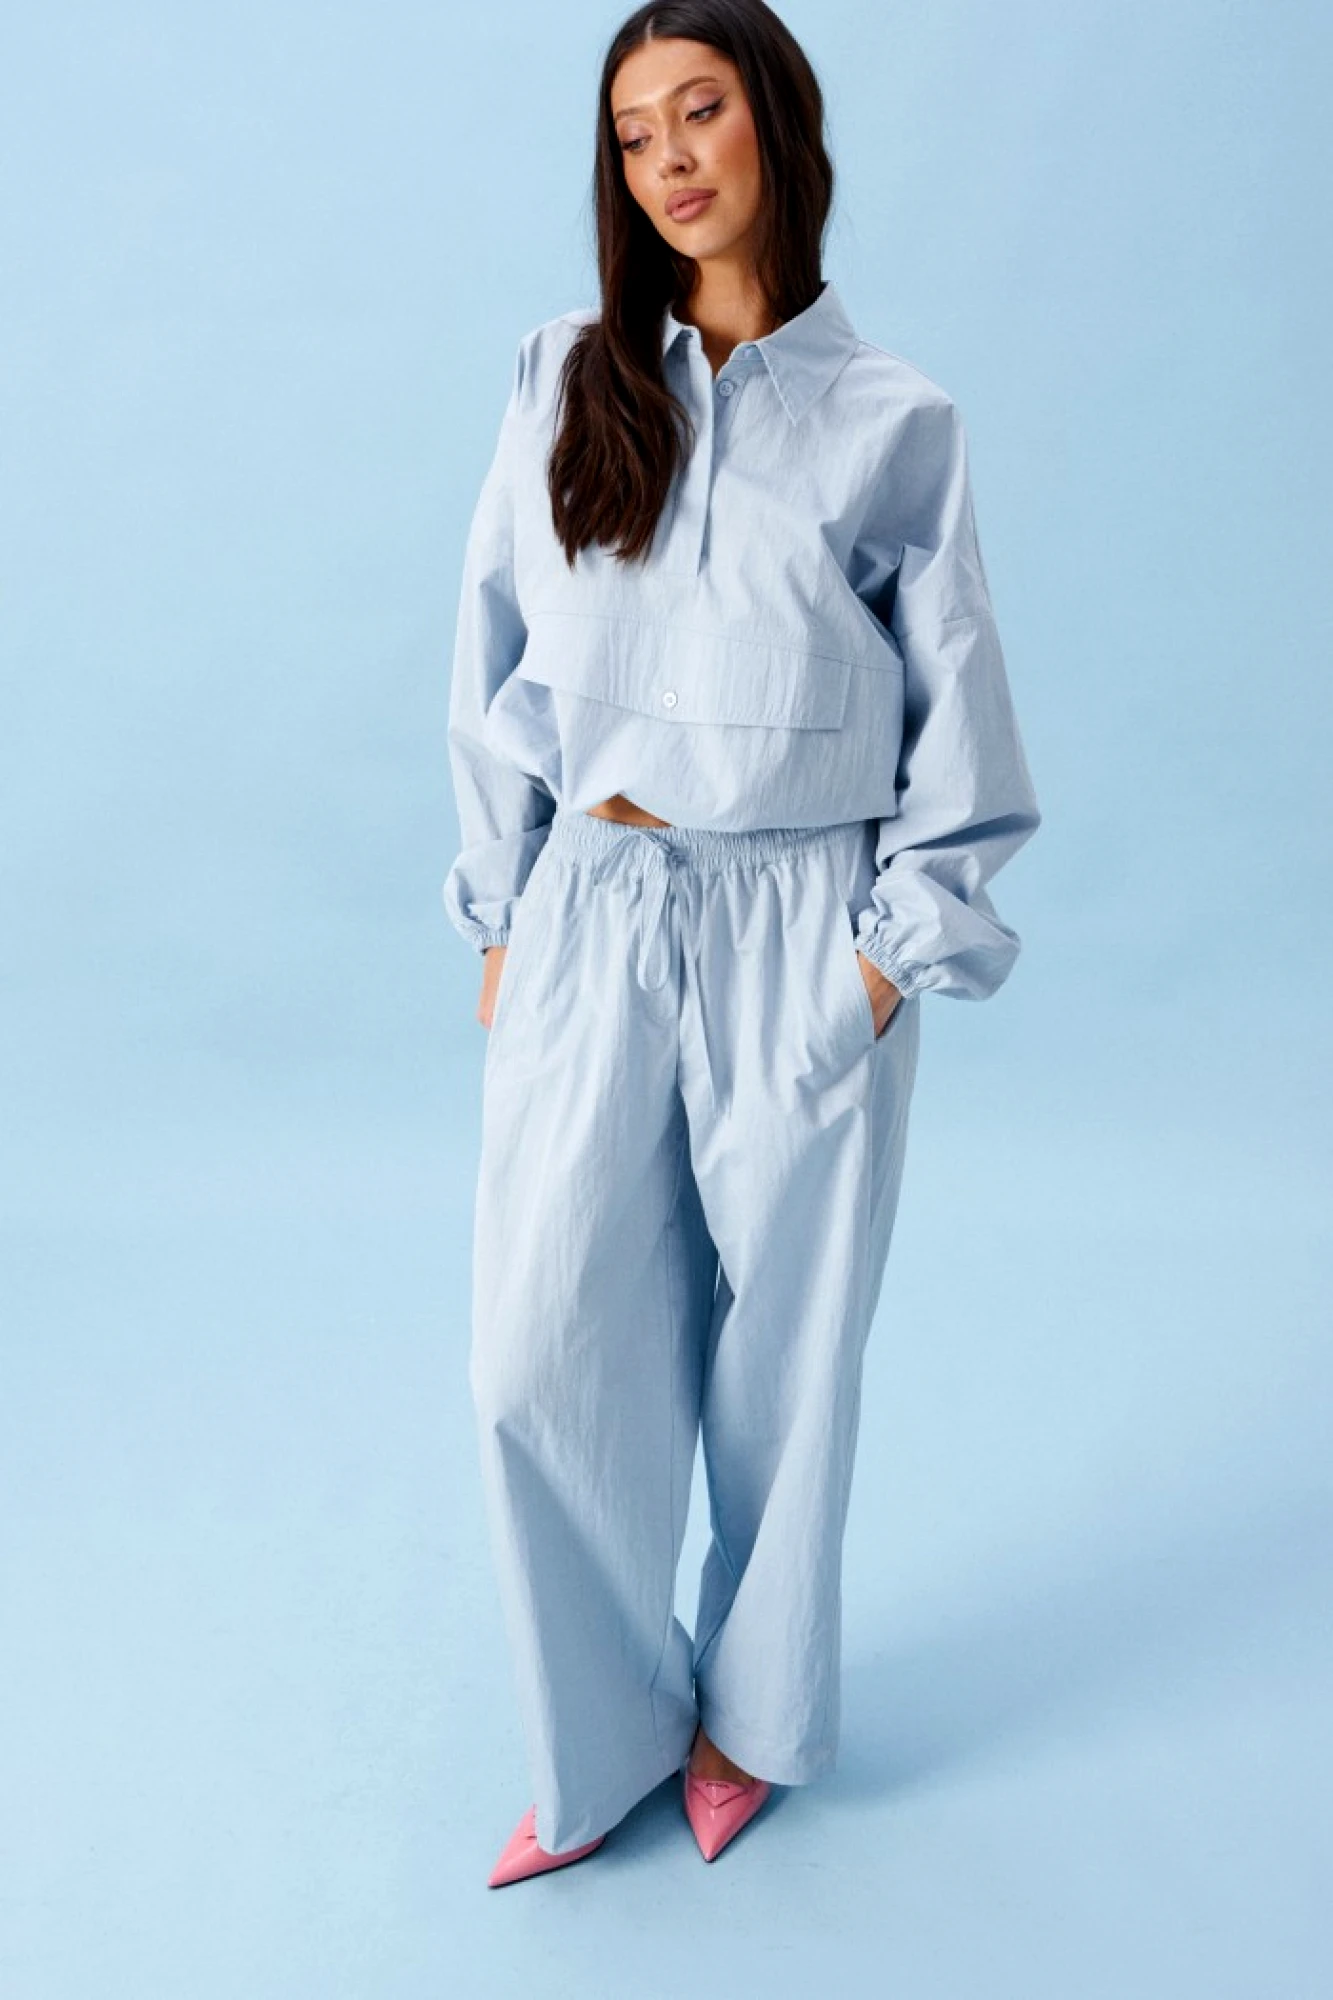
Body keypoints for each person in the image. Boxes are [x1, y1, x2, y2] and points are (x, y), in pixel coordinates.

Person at [443, 0, 1041, 1888]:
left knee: (784, 1357)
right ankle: (598, 1733)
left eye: (699, 111)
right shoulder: (564, 378)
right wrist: (504, 901)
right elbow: (490, 649)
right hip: (594, 910)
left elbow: (963, 717)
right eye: (633, 135)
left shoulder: (894, 421)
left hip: (804, 921)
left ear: (775, 120)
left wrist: (884, 961)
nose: (670, 160)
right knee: (539, 1352)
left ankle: (751, 1723)